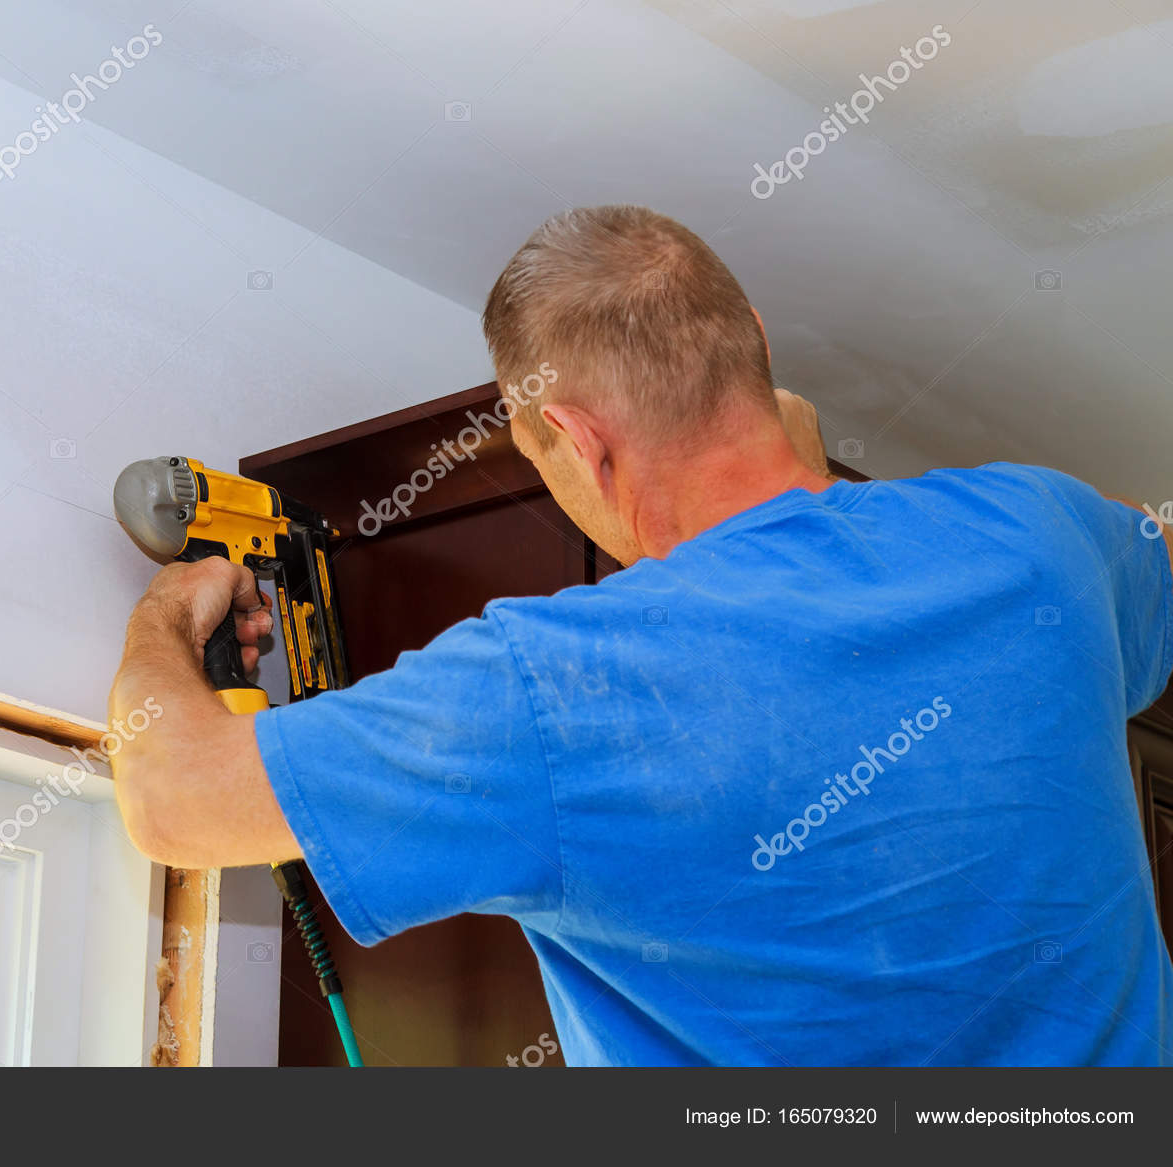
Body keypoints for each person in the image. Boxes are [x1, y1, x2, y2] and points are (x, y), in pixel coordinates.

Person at [109, 205, 1173, 1066]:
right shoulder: (1037, 533)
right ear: (754, 338)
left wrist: (172, 611)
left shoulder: (549, 688)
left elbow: (175, 799)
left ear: (573, 440)